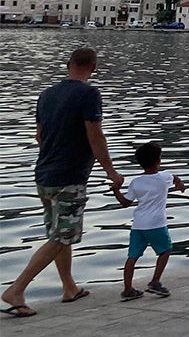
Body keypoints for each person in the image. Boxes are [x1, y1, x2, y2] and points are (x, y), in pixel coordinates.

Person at [2, 48, 124, 319]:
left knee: (58, 234)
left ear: (68, 64)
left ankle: (69, 287)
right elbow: (95, 136)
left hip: (44, 175)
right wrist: (111, 172)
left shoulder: (46, 95)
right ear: (93, 67)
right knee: (62, 237)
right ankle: (16, 290)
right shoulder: (89, 94)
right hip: (70, 177)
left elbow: (39, 136)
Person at [110, 142, 186, 301]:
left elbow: (125, 203)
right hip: (156, 224)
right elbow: (174, 178)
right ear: (158, 160)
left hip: (138, 225)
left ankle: (128, 289)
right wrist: (180, 184)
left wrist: (116, 190)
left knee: (133, 256)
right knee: (165, 250)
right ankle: (155, 281)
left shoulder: (136, 182)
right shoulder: (164, 177)